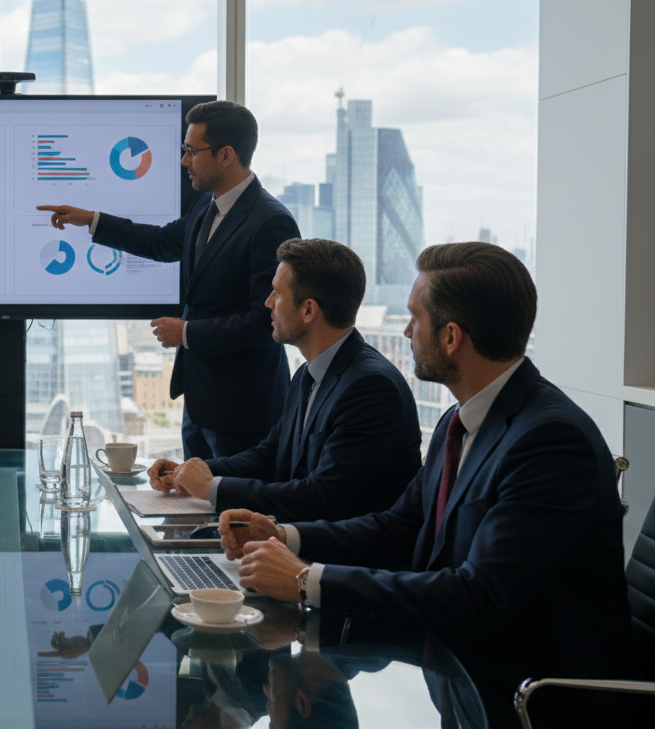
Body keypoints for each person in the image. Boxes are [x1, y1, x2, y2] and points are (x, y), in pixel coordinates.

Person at [219, 243, 635, 724]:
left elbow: (477, 597)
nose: (406, 330)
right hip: (456, 679)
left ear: (452, 336)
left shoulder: (550, 441)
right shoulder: (460, 421)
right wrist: (286, 536)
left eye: (415, 317)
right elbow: (399, 527)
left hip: (533, 700)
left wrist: (304, 579)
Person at [41, 101, 300, 459]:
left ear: (226, 155)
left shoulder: (270, 222)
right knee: (196, 505)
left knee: (231, 509)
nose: (184, 161)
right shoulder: (206, 206)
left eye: (192, 151)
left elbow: (266, 321)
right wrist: (93, 220)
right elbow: (161, 242)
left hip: (244, 410)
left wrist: (188, 333)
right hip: (201, 401)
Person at [146, 238, 421, 522]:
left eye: (277, 293)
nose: (267, 303)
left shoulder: (371, 388)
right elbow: (271, 455)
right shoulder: (309, 372)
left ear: (308, 310)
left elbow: (321, 498)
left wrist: (212, 487)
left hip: (340, 559)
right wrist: (191, 471)